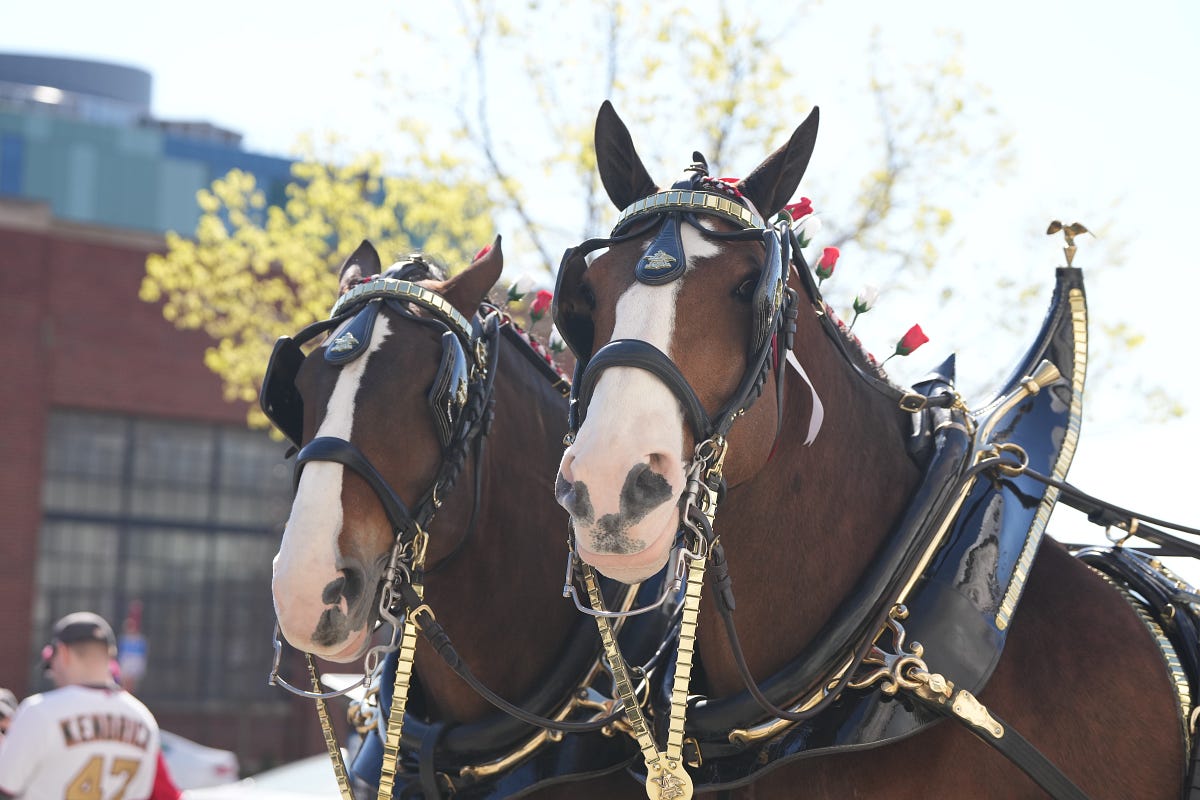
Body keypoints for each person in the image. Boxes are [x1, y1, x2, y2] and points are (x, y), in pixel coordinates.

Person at [0, 612, 162, 799]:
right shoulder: (144, 719)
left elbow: (5, 788)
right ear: (110, 654)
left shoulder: (40, 710)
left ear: (63, 652)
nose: (53, 672)